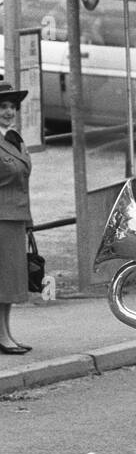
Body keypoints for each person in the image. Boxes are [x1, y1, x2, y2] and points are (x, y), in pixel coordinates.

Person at [0, 81, 32, 355]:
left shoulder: (15, 138)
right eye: (3, 107)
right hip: (1, 219)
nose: (9, 112)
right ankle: (2, 336)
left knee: (10, 282)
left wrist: (29, 221)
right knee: (4, 281)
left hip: (15, 218)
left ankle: (5, 333)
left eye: (12, 107)